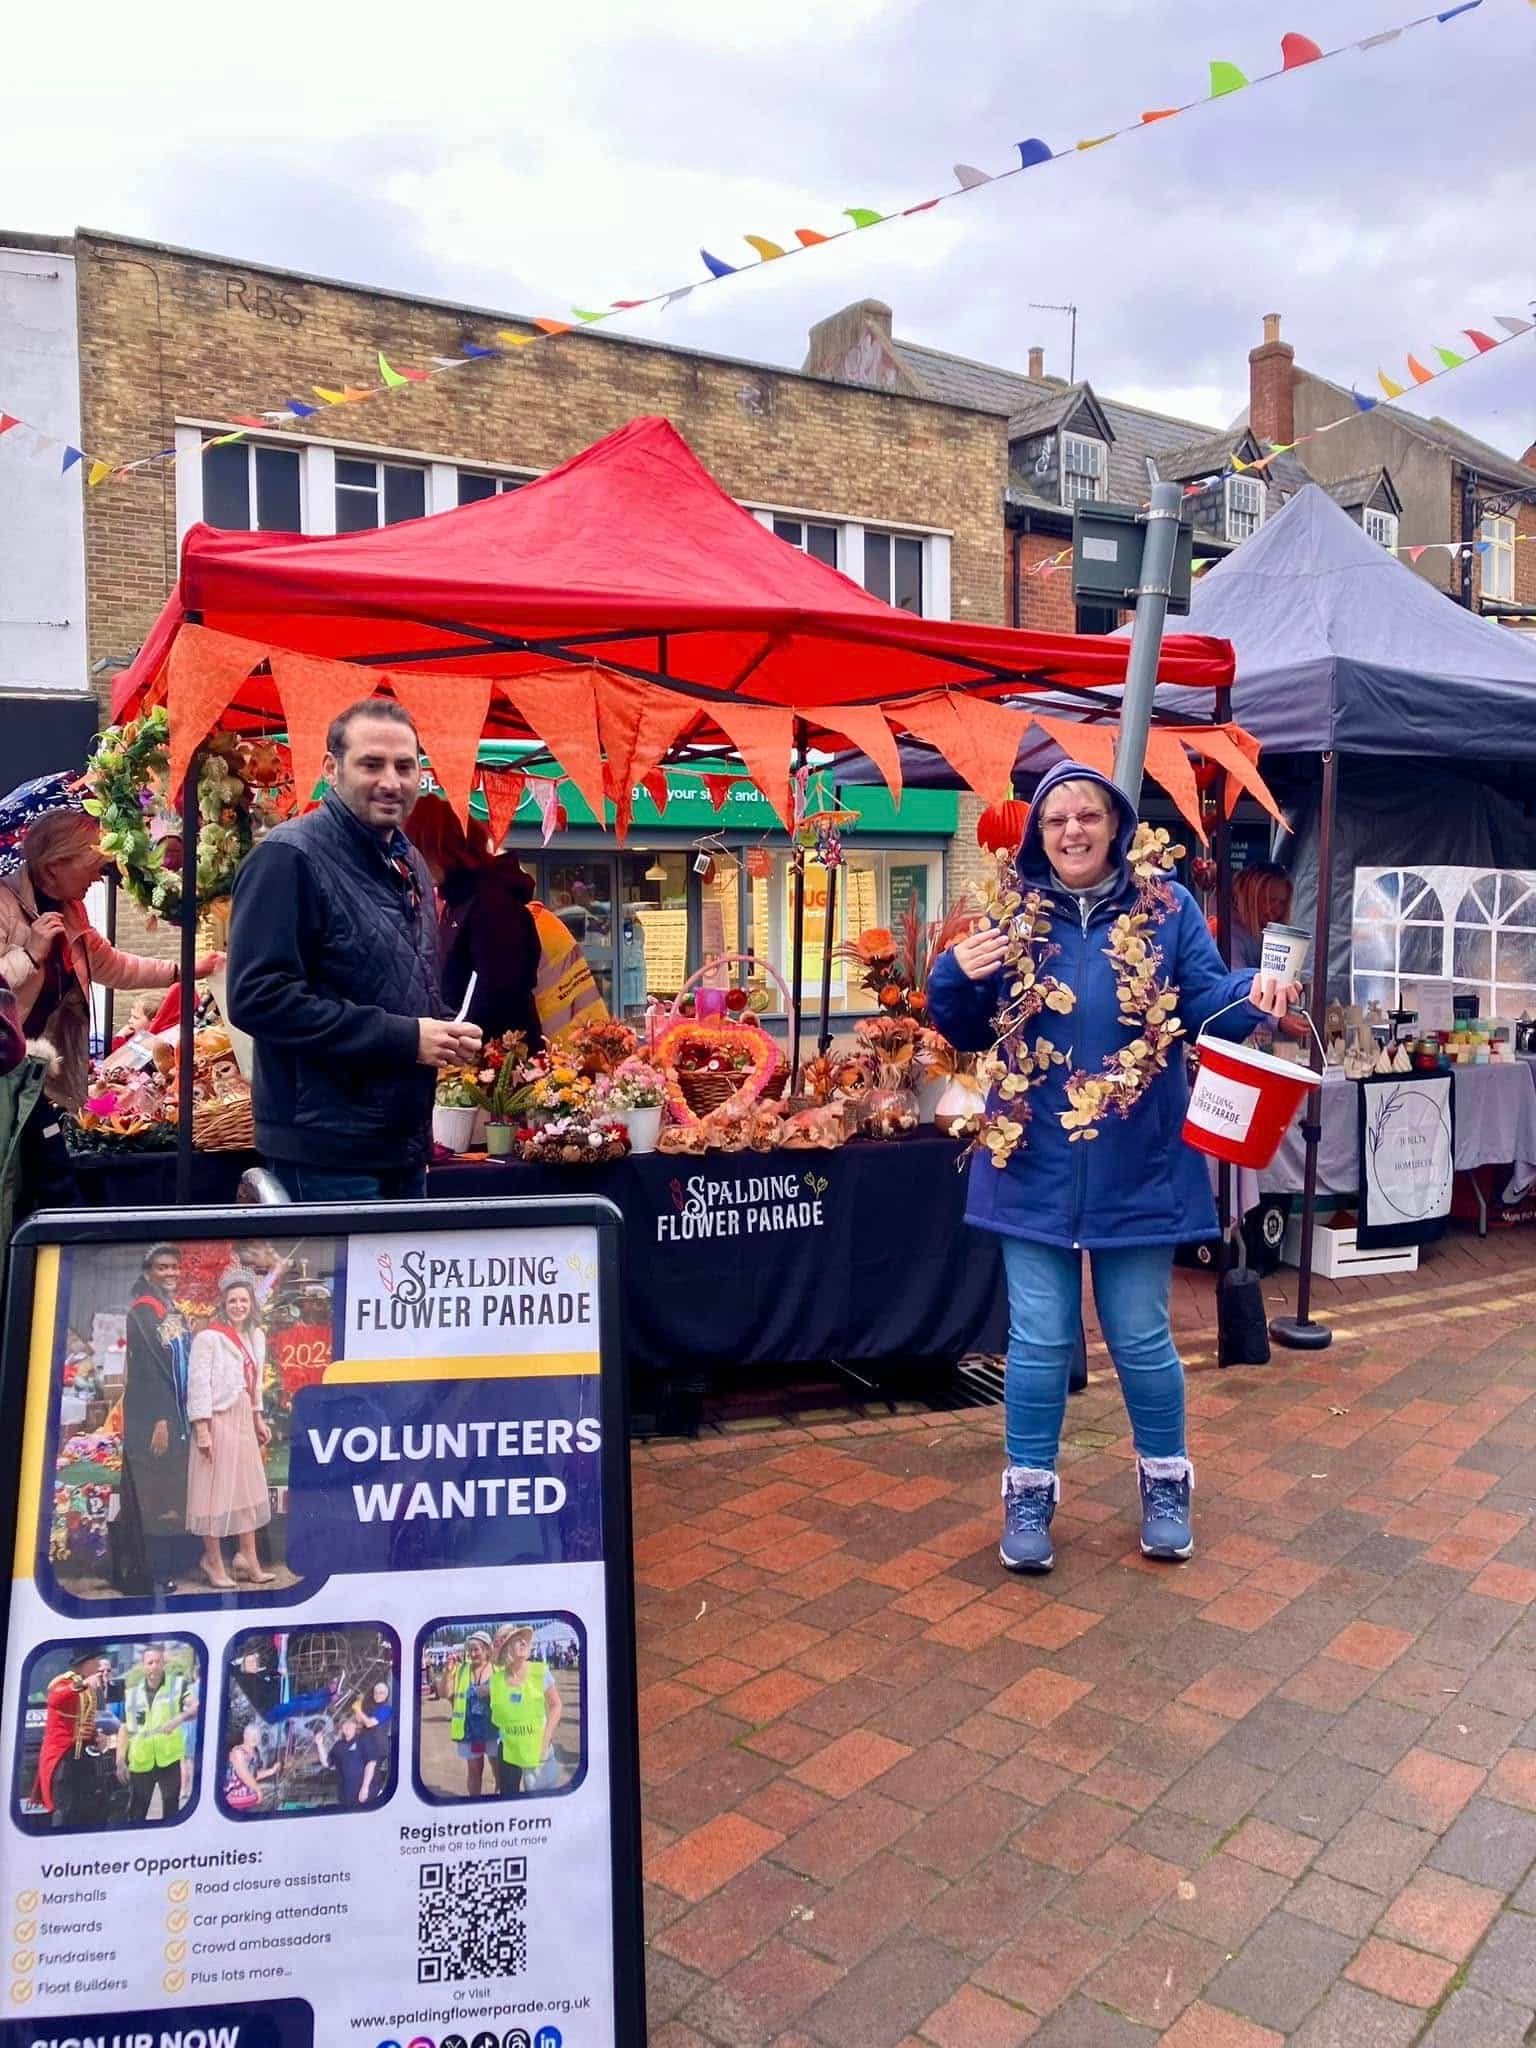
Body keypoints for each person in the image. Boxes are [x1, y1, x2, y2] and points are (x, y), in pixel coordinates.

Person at [927, 766, 1299, 1575]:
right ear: (1038, 833)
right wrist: (956, 971)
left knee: (1139, 1334)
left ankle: (1166, 1484)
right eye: (1056, 818)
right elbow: (961, 1026)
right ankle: (1028, 1491)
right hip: (1031, 1161)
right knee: (1037, 1340)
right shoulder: (1011, 913)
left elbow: (1207, 1000)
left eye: (1087, 815)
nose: (1071, 831)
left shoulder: (1165, 911)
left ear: (1116, 825)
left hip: (1141, 1161)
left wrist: (1257, 990)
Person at [226, 699, 482, 1201]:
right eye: (372, 764)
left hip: (401, 1146)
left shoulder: (407, 858)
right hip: (323, 1155)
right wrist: (406, 1038)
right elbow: (258, 998)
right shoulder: (288, 857)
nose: (391, 781)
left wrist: (444, 1030)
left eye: (405, 767)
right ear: (330, 768)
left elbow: (394, 979)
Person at [0, 811, 219, 1214]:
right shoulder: (4, 905)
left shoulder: (70, 911)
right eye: (93, 866)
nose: (99, 877)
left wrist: (187, 971)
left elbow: (111, 965)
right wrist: (30, 952)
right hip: (7, 1074)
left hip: (39, 1077)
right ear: (54, 866)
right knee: (34, 1179)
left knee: (49, 1176)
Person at [405, 794, 543, 1050]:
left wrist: (447, 1043)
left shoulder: (491, 906)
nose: (411, 864)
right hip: (473, 1054)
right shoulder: (459, 901)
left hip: (495, 1062)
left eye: (415, 852)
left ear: (439, 849)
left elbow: (493, 993)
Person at [186, 1267, 274, 1591]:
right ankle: (212, 1560)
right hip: (218, 1418)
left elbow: (255, 1384)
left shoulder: (255, 1336)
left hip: (243, 1418)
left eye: (244, 1300)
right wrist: (203, 1429)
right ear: (224, 1303)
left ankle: (247, 1557)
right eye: (233, 1300)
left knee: (246, 1492)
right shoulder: (209, 1337)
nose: (239, 1305)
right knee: (215, 1493)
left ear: (252, 1303)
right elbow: (197, 1385)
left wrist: (258, 1417)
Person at [117, 1244, 192, 1598]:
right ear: (148, 1272)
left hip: (173, 1413)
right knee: (151, 1497)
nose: (171, 1273)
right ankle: (147, 1575)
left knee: (168, 1491)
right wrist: (162, 1419)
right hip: (151, 1417)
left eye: (175, 1267)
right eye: (163, 1268)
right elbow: (149, 1371)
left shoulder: (168, 1308)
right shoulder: (143, 1312)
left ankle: (162, 1566)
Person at [116, 1643, 197, 1822]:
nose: (154, 1666)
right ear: (143, 1665)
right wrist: (120, 1760)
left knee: (171, 1813)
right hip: (140, 1762)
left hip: (168, 1760)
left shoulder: (177, 1686)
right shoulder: (131, 1693)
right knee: (136, 1814)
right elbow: (124, 1728)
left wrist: (179, 1719)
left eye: (158, 1662)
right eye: (150, 1662)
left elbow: (196, 1707)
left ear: (164, 1664)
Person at [34, 1646, 112, 1828]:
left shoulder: (88, 1686)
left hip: (81, 1756)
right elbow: (55, 1699)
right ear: (84, 1664)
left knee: (88, 1806)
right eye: (94, 1661)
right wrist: (84, 1684)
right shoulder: (64, 1682)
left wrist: (96, 1737)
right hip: (63, 1758)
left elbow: (83, 1720)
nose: (98, 1666)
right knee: (65, 1808)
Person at [489, 1626, 562, 1795]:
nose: (524, 1641)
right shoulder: (495, 1681)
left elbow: (556, 1706)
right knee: (509, 1800)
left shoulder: (540, 1671)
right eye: (517, 1639)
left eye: (524, 1639)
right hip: (509, 1751)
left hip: (538, 1749)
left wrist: (546, 1739)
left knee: (542, 1804)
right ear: (506, 1649)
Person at [442, 1630, 497, 1797]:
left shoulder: (497, 1670)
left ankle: (500, 1800)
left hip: (494, 1730)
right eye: (470, 1650)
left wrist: (492, 1690)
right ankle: (475, 1802)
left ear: (487, 1650)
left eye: (476, 1649)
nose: (472, 1654)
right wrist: (447, 1674)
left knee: (498, 1768)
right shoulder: (461, 1670)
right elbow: (446, 1693)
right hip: (471, 1732)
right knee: (474, 1770)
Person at [1228, 861, 1294, 972]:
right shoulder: (1231, 938)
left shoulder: (1274, 937)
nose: (1276, 909)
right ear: (1249, 899)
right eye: (1269, 900)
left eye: (1282, 902)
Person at [317, 1712, 376, 1809]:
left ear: (356, 1726)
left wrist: (365, 1788)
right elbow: (327, 1763)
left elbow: (371, 1763)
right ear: (341, 1727)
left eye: (351, 1723)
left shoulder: (364, 1740)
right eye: (344, 1723)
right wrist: (319, 1744)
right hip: (344, 1795)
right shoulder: (338, 1745)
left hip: (363, 1793)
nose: (347, 1726)